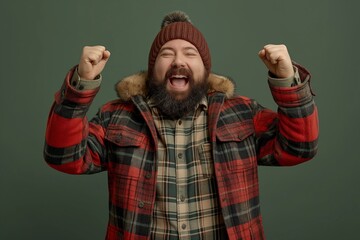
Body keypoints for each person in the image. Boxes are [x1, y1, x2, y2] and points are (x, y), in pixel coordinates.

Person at [44, 11, 319, 240]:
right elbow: (64, 157)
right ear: (153, 69)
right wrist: (80, 87)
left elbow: (300, 147)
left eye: (190, 53)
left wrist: (287, 80)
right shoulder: (117, 116)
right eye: (166, 54)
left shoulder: (241, 113)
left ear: (205, 68)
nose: (178, 61)